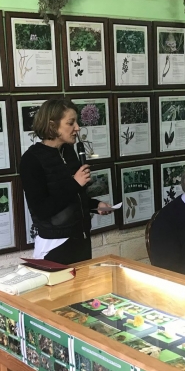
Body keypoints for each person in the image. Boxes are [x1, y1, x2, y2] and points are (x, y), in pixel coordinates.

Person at [19, 98, 112, 264]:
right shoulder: (31, 160)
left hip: (80, 238)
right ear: (52, 125)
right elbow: (42, 210)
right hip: (55, 245)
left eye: (76, 122)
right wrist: (75, 183)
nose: (77, 127)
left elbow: (71, 196)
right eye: (71, 123)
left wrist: (94, 205)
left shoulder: (68, 152)